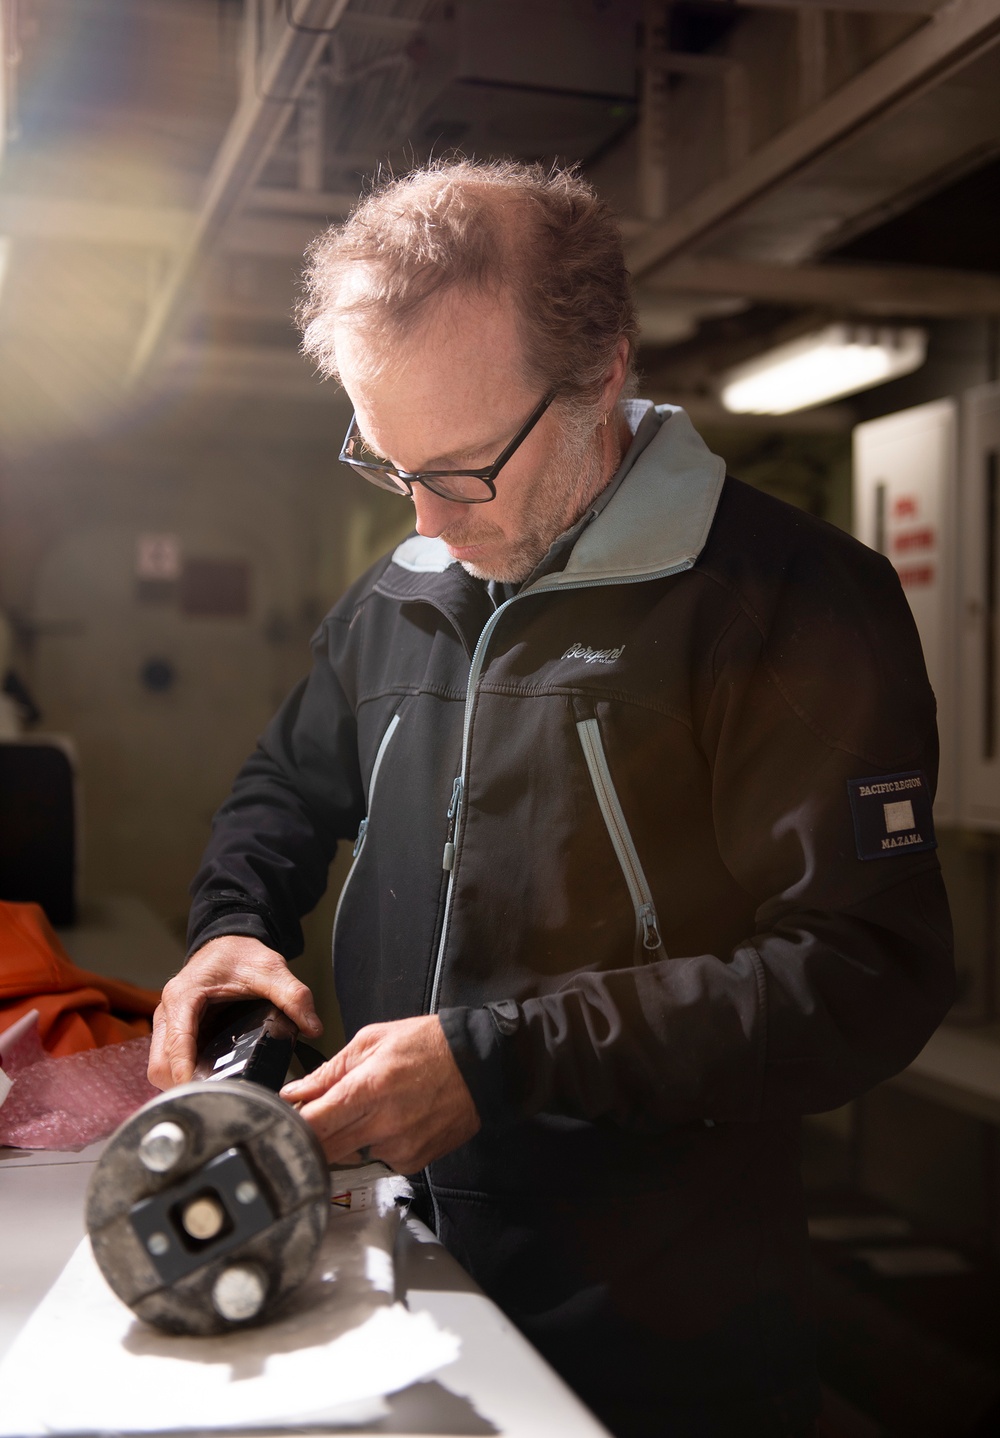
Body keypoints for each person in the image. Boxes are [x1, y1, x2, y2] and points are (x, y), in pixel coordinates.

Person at [149, 159, 954, 1437]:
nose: (422, 516)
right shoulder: (405, 588)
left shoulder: (791, 605)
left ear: (603, 376)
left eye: (463, 469)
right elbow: (284, 787)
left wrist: (495, 1057)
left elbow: (865, 976)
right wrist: (232, 922)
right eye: (388, 460)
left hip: (660, 1338)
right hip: (401, 1269)